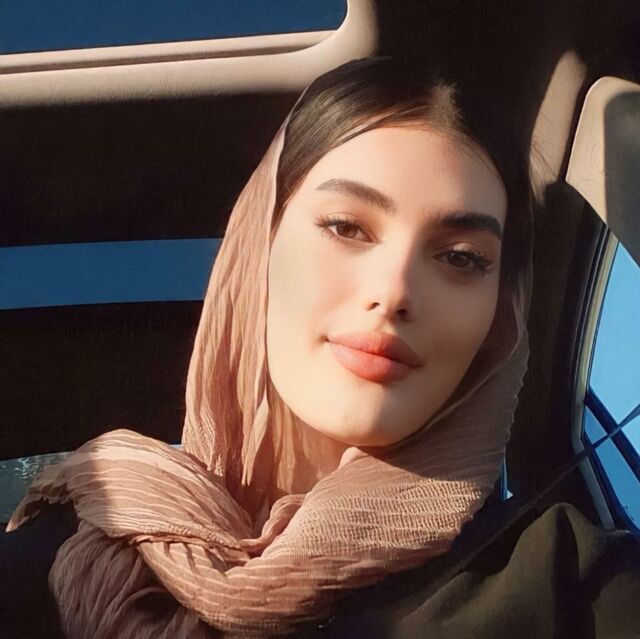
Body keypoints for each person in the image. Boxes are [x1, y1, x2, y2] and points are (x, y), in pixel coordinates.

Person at [1, 57, 638, 639]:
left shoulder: (570, 584)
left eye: (461, 258)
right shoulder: (73, 545)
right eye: (345, 226)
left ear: (499, 321)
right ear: (257, 251)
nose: (393, 291)